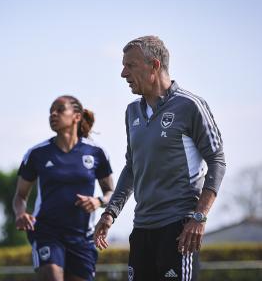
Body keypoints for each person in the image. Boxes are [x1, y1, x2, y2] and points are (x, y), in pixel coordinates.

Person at [94, 36, 226, 281]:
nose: (123, 73)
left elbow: (217, 161)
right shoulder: (132, 111)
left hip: (178, 229)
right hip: (142, 228)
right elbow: (132, 167)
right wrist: (110, 213)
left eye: (130, 65)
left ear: (154, 65)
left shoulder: (190, 106)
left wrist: (199, 217)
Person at [13, 95, 114, 281]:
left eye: (60, 109)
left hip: (82, 237)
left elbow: (111, 192)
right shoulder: (37, 153)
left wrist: (98, 201)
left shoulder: (96, 152)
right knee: (52, 276)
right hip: (46, 232)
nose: (53, 114)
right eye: (51, 110)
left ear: (76, 116)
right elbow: (20, 196)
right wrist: (20, 214)